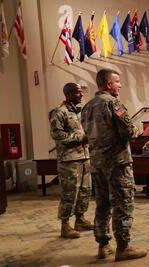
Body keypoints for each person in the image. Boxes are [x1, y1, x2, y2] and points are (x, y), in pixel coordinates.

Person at [81, 69, 147, 262]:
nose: (119, 85)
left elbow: (87, 134)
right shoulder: (112, 103)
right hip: (117, 163)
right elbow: (127, 131)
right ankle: (123, 247)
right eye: (117, 81)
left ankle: (103, 245)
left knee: (102, 204)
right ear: (108, 84)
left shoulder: (87, 107)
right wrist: (136, 129)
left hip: (97, 164)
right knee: (123, 203)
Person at [49, 83, 93, 239]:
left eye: (81, 92)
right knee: (70, 193)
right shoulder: (59, 112)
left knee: (85, 190)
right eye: (77, 92)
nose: (81, 95)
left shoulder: (78, 113)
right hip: (69, 160)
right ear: (67, 94)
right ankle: (65, 225)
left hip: (84, 157)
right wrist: (80, 138)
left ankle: (80, 220)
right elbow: (57, 135)